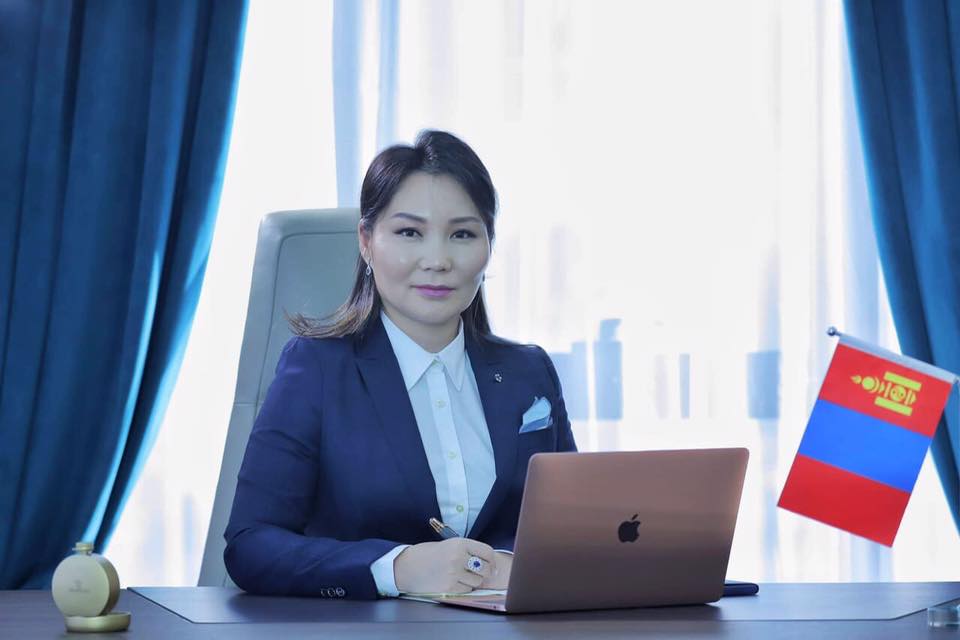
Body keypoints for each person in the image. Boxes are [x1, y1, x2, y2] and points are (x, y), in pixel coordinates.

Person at [223, 130, 577, 600]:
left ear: (489, 246)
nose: (438, 260)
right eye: (410, 233)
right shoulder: (318, 369)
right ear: (367, 242)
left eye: (462, 234)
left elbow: (574, 529)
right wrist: (397, 568)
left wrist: (513, 565)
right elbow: (251, 544)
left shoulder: (529, 372)